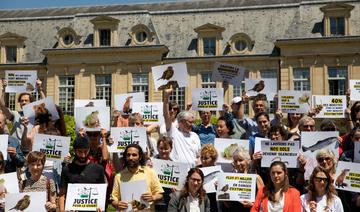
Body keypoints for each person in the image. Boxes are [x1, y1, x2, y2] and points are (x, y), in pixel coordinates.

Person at [111, 144, 163, 211]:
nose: (131, 158)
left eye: (134, 155)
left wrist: (153, 197)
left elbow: (160, 194)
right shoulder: (118, 176)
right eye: (128, 155)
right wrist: (117, 204)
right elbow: (113, 199)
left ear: (140, 157)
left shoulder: (150, 172)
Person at [58, 136, 105, 211]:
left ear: (89, 150)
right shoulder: (67, 170)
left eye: (85, 151)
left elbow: (102, 194)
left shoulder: (98, 169)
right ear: (75, 150)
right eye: (80, 151)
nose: (83, 155)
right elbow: (62, 194)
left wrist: (101, 208)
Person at [0, 79, 45, 154]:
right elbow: (2, 106)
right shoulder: (15, 114)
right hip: (15, 149)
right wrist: (4, 89)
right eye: (21, 100)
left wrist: (40, 90)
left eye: (26, 100)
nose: (23, 102)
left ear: (31, 102)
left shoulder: (36, 115)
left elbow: (46, 105)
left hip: (30, 150)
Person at [163, 87, 201, 167]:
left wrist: (199, 161)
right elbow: (167, 116)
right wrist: (166, 98)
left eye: (193, 122)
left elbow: (198, 155)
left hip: (192, 172)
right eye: (190, 122)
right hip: (177, 171)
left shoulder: (195, 136)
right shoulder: (174, 132)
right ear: (181, 122)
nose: (192, 124)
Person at [221, 147, 264, 211]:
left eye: (241, 160)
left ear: (247, 161)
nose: (238, 163)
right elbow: (228, 205)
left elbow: (264, 202)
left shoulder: (256, 178)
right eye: (235, 161)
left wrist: (252, 205)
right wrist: (220, 191)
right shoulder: (230, 180)